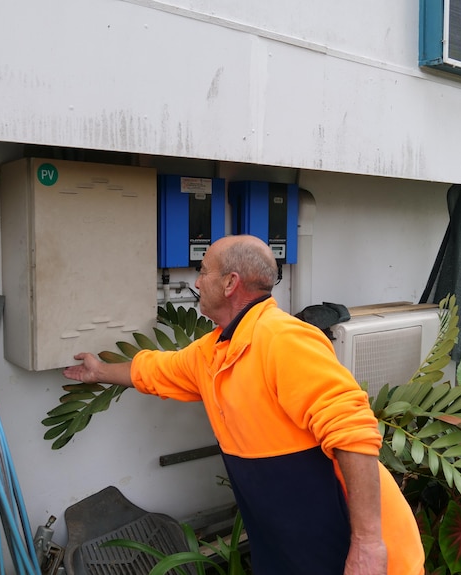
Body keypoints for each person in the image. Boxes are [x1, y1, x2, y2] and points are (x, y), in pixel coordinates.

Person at [63, 234, 424, 575]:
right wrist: (100, 371)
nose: (198, 281)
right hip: (288, 540)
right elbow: (156, 370)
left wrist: (367, 544)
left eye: (204, 271)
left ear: (230, 282)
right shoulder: (213, 352)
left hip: (352, 541)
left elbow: (353, 433)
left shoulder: (283, 339)